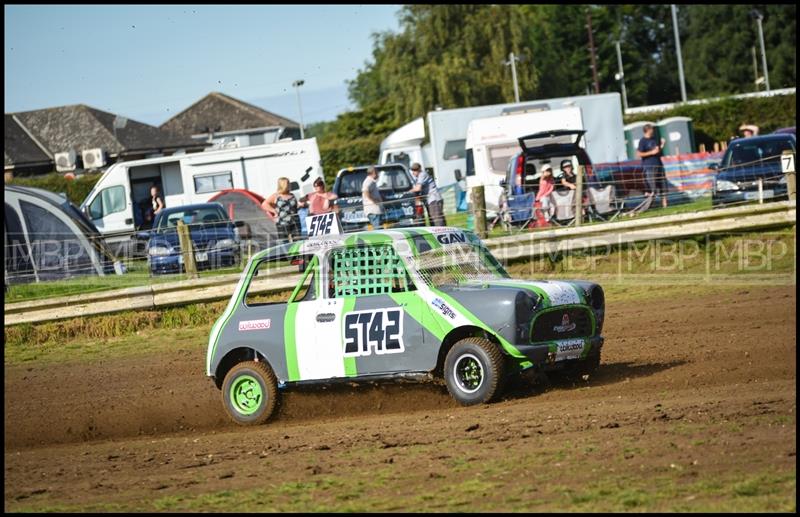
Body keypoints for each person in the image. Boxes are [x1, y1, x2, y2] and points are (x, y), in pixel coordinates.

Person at [262, 177, 304, 242]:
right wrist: (274, 211)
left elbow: (295, 207)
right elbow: (264, 204)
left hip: (295, 222)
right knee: (284, 243)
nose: (289, 184)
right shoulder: (276, 196)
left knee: (298, 242)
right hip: (282, 223)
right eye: (288, 183)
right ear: (283, 184)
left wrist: (301, 205)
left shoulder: (292, 195)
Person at [636, 124, 668, 208]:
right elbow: (639, 154)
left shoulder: (654, 139)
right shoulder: (642, 141)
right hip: (649, 166)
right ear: (648, 130)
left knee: (663, 186)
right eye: (652, 129)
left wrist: (662, 145)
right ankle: (650, 206)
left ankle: (665, 205)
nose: (653, 130)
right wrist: (651, 153)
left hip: (659, 164)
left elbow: (657, 151)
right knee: (652, 188)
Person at [409, 162, 446, 226]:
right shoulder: (418, 177)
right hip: (431, 200)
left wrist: (408, 192)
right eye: (413, 170)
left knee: (437, 220)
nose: (414, 172)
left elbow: (418, 188)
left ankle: (442, 233)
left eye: (415, 170)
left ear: (419, 169)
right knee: (433, 220)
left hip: (434, 200)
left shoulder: (422, 174)